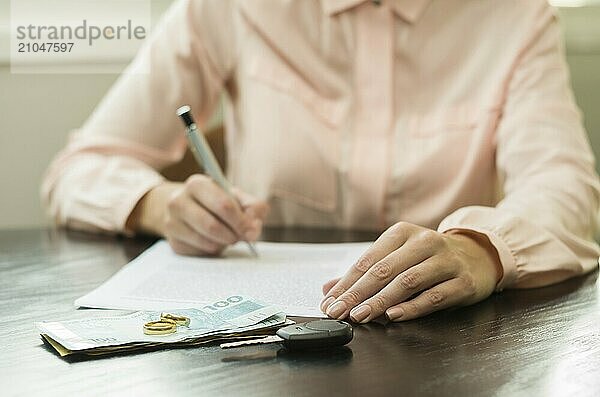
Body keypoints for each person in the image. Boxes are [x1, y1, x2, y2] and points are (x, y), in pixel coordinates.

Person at [42, 0, 600, 323]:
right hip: (263, 343)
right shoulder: (230, 8)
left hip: (443, 339)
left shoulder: (516, 17)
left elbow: (564, 185)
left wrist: (480, 247)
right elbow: (80, 168)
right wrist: (159, 205)